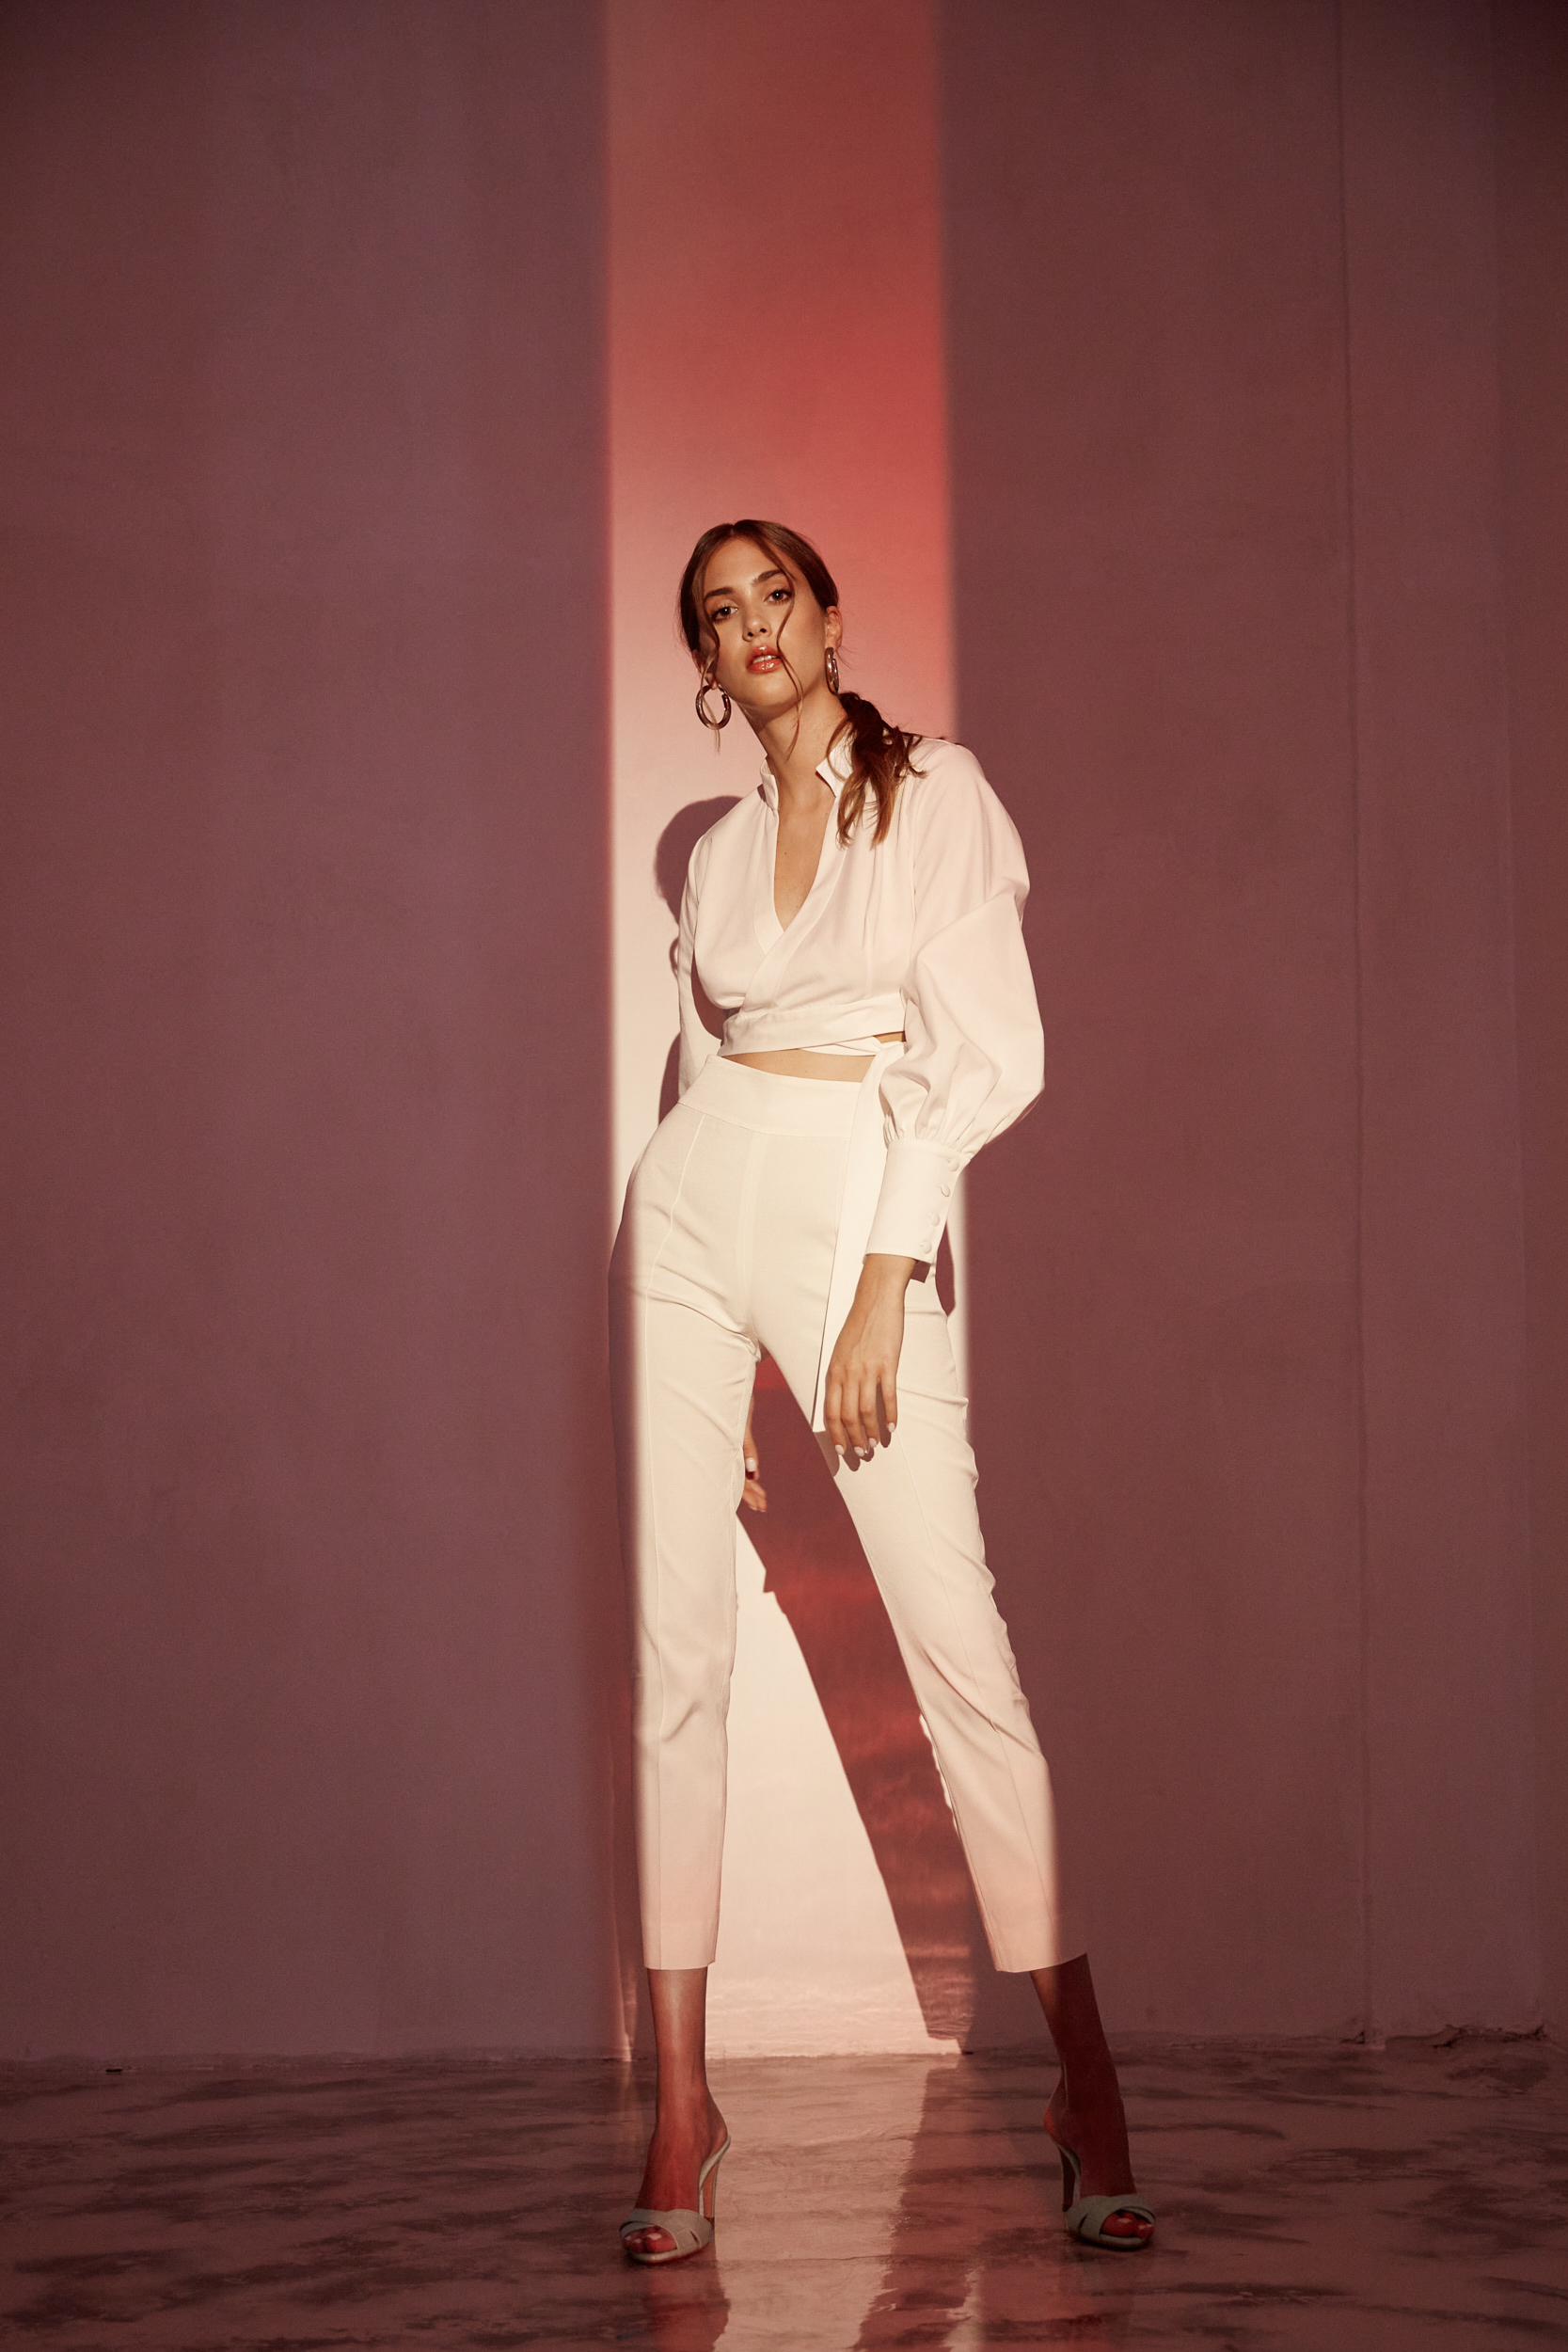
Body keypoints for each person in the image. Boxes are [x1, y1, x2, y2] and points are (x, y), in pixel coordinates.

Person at [610, 520, 1155, 2263]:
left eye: (775, 594)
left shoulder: (935, 797)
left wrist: (876, 1284)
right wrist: (722, 1380)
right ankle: (682, 2109)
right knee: (676, 1660)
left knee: (959, 1654)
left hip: (858, 1196)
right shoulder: (711, 855)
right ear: (706, 665)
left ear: (830, 618)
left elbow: (982, 1050)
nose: (753, 626)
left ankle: (1084, 2081)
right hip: (688, 1213)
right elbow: (699, 1065)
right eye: (720, 613)